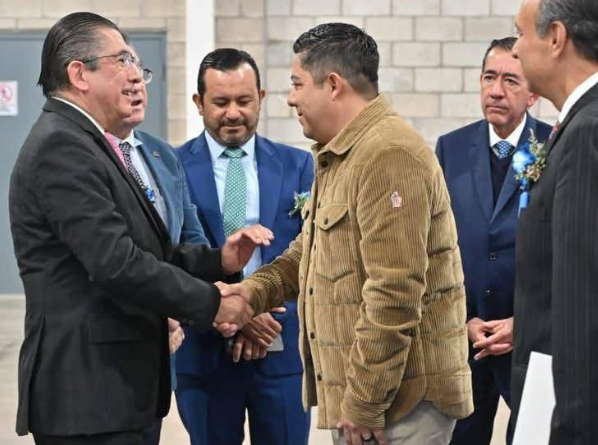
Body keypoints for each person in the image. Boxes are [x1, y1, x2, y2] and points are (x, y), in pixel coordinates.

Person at [8, 12, 269, 445]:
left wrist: (218, 261)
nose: (136, 76)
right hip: (87, 394)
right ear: (79, 74)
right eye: (123, 61)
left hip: (119, 390)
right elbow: (116, 262)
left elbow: (151, 250)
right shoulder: (62, 145)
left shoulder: (95, 144)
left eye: (137, 64)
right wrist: (212, 304)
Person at [221, 23, 473, 445]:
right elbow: (307, 253)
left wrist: (364, 400)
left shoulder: (388, 154)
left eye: (297, 84)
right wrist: (248, 295)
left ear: (333, 85)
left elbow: (394, 291)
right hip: (371, 400)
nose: (291, 98)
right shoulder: (342, 154)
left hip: (400, 403)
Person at [175, 48, 314, 445]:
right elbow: (171, 255)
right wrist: (233, 313)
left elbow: (311, 253)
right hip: (204, 352)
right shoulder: (172, 166)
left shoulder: (298, 166)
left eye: (244, 101)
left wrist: (257, 309)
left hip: (279, 344)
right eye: (221, 102)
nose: (233, 113)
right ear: (199, 102)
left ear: (262, 98)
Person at [511, 0, 598, 443]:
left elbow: (592, 311)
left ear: (556, 38)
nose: (515, 49)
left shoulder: (593, 131)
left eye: (521, 33)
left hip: (583, 412)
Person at [435, 37, 551, 445]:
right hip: (467, 339)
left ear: (533, 93)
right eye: (489, 77)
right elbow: (438, 244)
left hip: (532, 340)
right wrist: (463, 319)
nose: (496, 90)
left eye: (510, 80)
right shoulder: (450, 148)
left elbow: (565, 250)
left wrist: (526, 322)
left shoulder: (554, 146)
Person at [105, 49, 208, 445]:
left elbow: (188, 238)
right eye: (123, 72)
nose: (136, 84)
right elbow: (107, 259)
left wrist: (219, 282)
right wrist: (158, 313)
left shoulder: (161, 153)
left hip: (161, 353)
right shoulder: (85, 157)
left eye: (141, 74)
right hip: (108, 354)